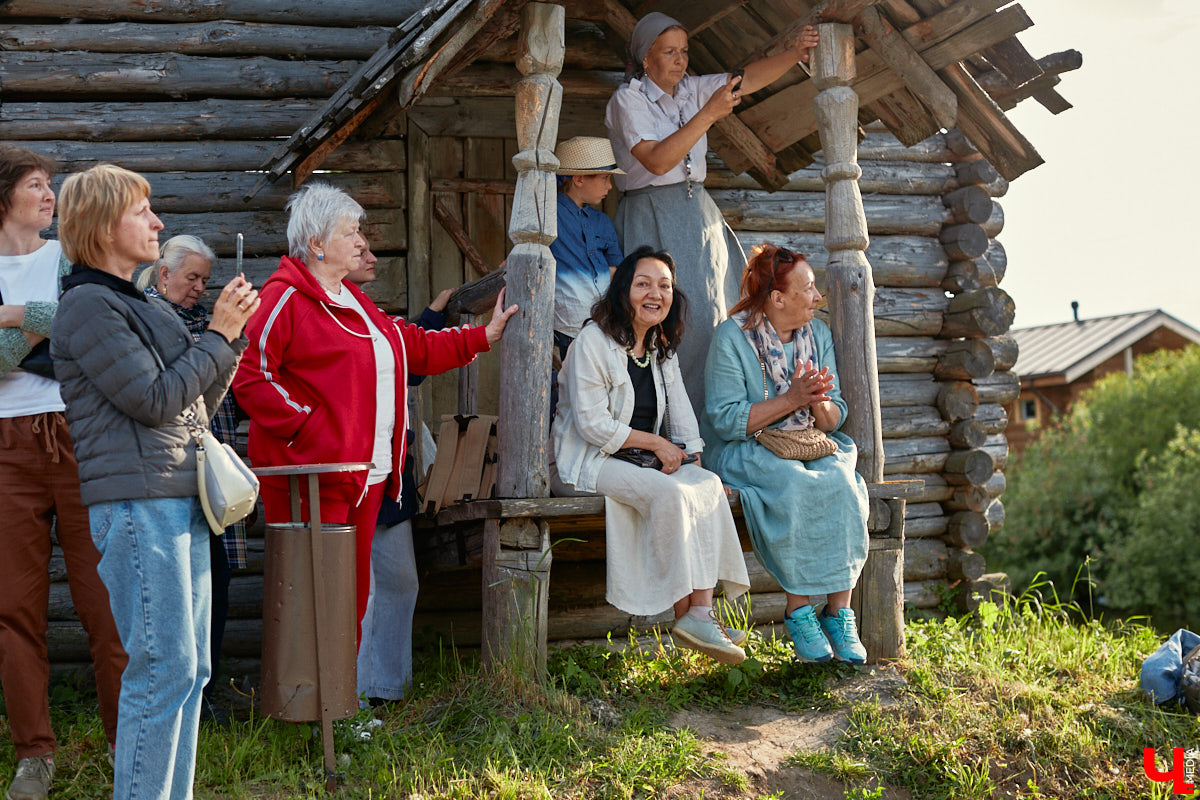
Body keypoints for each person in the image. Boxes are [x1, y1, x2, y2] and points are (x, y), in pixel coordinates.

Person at [51, 164, 259, 799]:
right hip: (140, 506)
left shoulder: (138, 302)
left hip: (176, 497)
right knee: (161, 669)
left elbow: (195, 402)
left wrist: (230, 340)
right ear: (103, 225)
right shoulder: (86, 305)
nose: (157, 223)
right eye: (143, 212)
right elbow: (152, 398)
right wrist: (219, 335)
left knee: (189, 669)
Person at [233, 183, 516, 648]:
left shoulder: (353, 300)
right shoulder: (283, 298)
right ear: (318, 244)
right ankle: (308, 711)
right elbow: (250, 377)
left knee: (352, 596)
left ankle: (341, 711)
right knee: (315, 596)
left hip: (364, 475)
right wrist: (312, 431)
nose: (363, 242)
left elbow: (413, 345)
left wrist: (484, 335)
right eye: (351, 232)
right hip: (313, 476)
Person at [605, 13, 819, 411]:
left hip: (697, 214)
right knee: (662, 325)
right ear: (645, 58)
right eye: (669, 52)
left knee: (713, 320)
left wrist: (794, 54)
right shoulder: (628, 99)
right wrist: (710, 114)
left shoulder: (692, 89)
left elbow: (745, 80)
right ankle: (664, 425)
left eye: (684, 51)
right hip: (651, 215)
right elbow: (655, 159)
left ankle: (715, 423)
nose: (680, 60)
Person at [0, 146, 127, 800]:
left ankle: (124, 746)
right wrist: (38, 328)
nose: (50, 195)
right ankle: (34, 756)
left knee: (105, 601)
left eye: (50, 186)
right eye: (36, 185)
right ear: (5, 198)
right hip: (4, 450)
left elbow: (77, 331)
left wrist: (13, 316)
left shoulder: (67, 261)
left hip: (77, 437)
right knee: (14, 607)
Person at [552, 245, 750, 665]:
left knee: (708, 485)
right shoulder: (592, 342)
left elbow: (682, 419)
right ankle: (690, 616)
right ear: (623, 290)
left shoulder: (660, 348)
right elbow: (592, 426)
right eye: (643, 283)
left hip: (634, 460)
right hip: (588, 462)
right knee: (670, 495)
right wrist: (659, 444)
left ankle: (701, 612)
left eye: (665, 285)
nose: (655, 293)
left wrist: (695, 463)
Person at [702, 244, 869, 664]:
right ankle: (798, 612)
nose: (817, 298)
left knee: (845, 484)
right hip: (747, 448)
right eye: (809, 288)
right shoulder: (731, 337)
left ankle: (838, 611)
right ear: (778, 298)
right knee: (796, 484)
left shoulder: (820, 336)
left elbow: (834, 418)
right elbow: (725, 420)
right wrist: (791, 397)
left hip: (810, 441)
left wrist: (815, 401)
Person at [136, 234, 247, 723]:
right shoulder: (148, 318)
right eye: (191, 278)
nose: (199, 287)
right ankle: (177, 703)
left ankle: (204, 695)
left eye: (205, 279)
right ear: (164, 274)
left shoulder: (206, 326)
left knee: (214, 584)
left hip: (209, 472)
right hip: (172, 472)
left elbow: (228, 393)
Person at [346, 243, 451, 704]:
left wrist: (431, 318)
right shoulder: (336, 319)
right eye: (359, 248)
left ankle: (385, 690)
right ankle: (355, 695)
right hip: (356, 474)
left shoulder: (369, 315)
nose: (370, 256)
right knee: (362, 591)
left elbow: (406, 365)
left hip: (391, 476)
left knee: (399, 581)